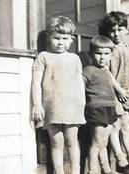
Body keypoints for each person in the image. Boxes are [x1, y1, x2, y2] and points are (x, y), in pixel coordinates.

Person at [32, 15, 85, 174]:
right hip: (52, 106)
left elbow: (79, 82)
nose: (60, 42)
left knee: (72, 140)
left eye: (64, 38)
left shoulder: (74, 58)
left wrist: (82, 103)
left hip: (72, 106)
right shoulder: (43, 57)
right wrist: (37, 104)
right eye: (56, 38)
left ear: (71, 40)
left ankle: (75, 171)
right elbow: (36, 83)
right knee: (56, 141)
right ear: (49, 38)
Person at [98, 11, 129, 174]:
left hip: (127, 94)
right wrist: (118, 89)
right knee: (115, 126)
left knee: (126, 126)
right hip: (113, 93)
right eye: (113, 30)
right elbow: (106, 72)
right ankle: (121, 159)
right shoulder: (108, 50)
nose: (116, 33)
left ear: (126, 30)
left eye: (120, 29)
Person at [83, 35, 129, 174]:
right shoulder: (88, 70)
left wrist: (121, 90)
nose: (102, 57)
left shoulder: (106, 70)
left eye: (106, 54)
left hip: (110, 107)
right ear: (91, 54)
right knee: (97, 142)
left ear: (111, 55)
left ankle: (106, 169)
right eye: (98, 53)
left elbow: (113, 83)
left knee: (104, 142)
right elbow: (79, 86)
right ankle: (92, 170)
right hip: (96, 108)